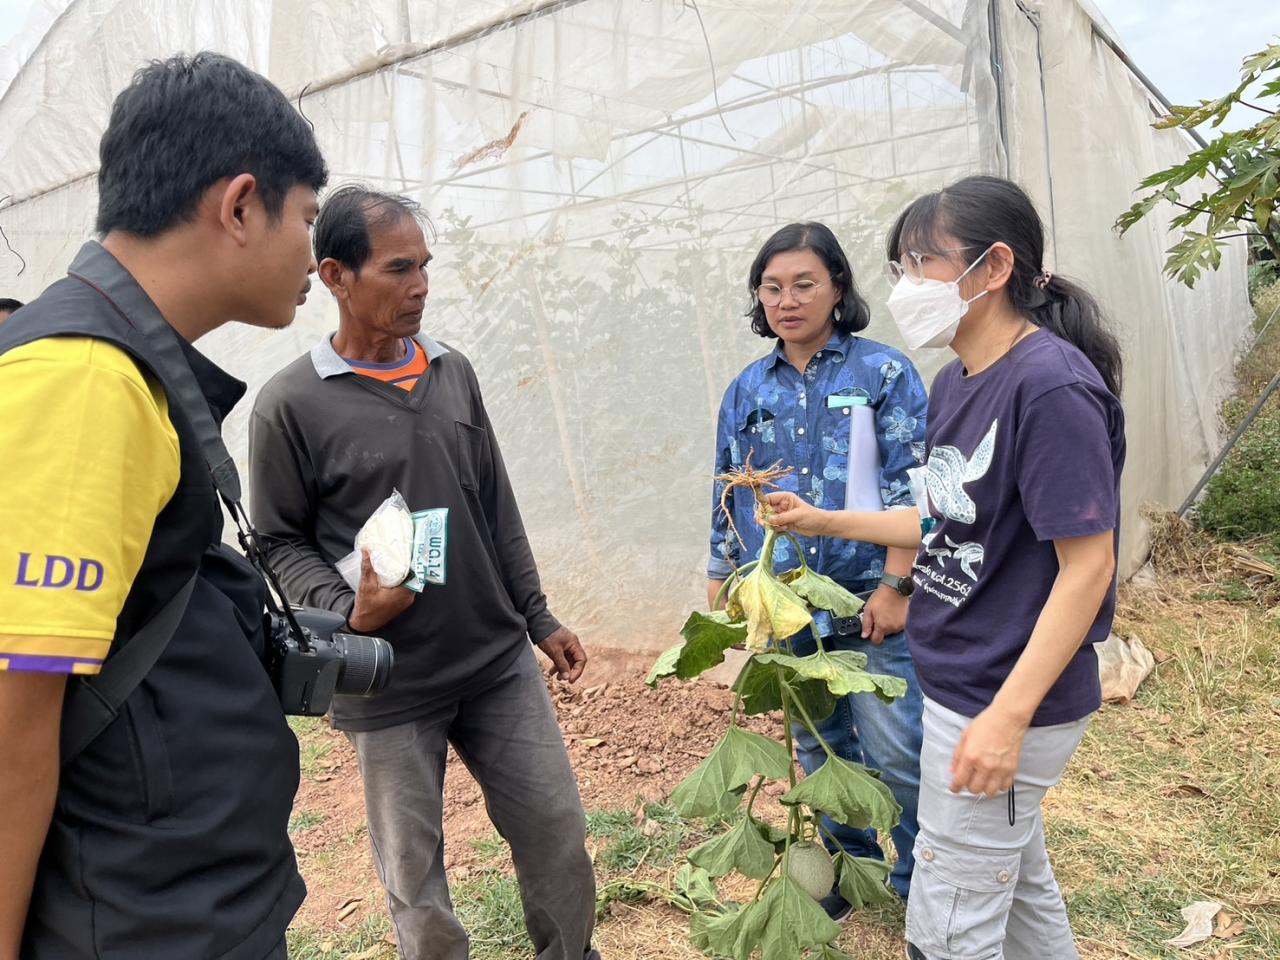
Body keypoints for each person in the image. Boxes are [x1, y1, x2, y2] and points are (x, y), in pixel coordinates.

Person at [0, 54, 327, 960]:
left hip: (176, 896)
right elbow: (11, 718)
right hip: (135, 918)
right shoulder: (81, 378)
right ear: (239, 206)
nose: (313, 254)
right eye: (306, 219)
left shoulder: (125, 364)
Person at [766, 175, 1125, 960]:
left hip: (1003, 694)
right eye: (898, 266)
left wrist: (1006, 717)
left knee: (947, 924)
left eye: (921, 263)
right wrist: (822, 518)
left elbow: (1088, 567)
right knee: (1017, 887)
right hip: (961, 680)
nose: (903, 287)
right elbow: (940, 517)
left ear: (993, 269)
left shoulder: (1049, 386)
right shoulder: (957, 379)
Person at [248, 185, 598, 960]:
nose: (421, 287)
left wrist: (538, 618)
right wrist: (350, 610)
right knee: (416, 881)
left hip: (495, 661)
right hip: (388, 684)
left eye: (426, 267)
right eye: (399, 269)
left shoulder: (450, 370)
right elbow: (276, 541)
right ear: (336, 276)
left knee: (558, 836)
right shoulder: (292, 405)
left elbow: (494, 503)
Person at [708, 222, 928, 916]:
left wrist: (896, 587)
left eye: (804, 284)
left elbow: (913, 488)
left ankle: (925, 881)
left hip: (869, 597)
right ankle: (850, 876)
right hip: (788, 603)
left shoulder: (882, 373)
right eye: (772, 287)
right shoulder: (746, 390)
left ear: (837, 288)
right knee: (820, 746)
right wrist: (724, 588)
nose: (787, 300)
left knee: (899, 749)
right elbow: (726, 492)